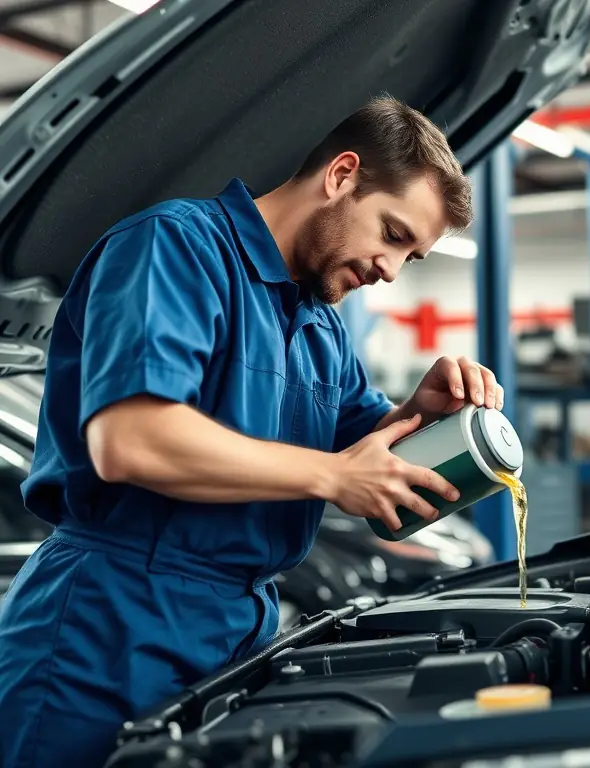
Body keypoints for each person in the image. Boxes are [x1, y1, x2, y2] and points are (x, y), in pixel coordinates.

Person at [0, 95, 503, 768]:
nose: (388, 270)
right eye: (392, 234)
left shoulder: (318, 320)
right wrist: (331, 476)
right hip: (108, 622)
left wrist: (420, 413)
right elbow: (131, 441)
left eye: (409, 258)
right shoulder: (175, 249)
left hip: (239, 631)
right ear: (341, 175)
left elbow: (364, 445)